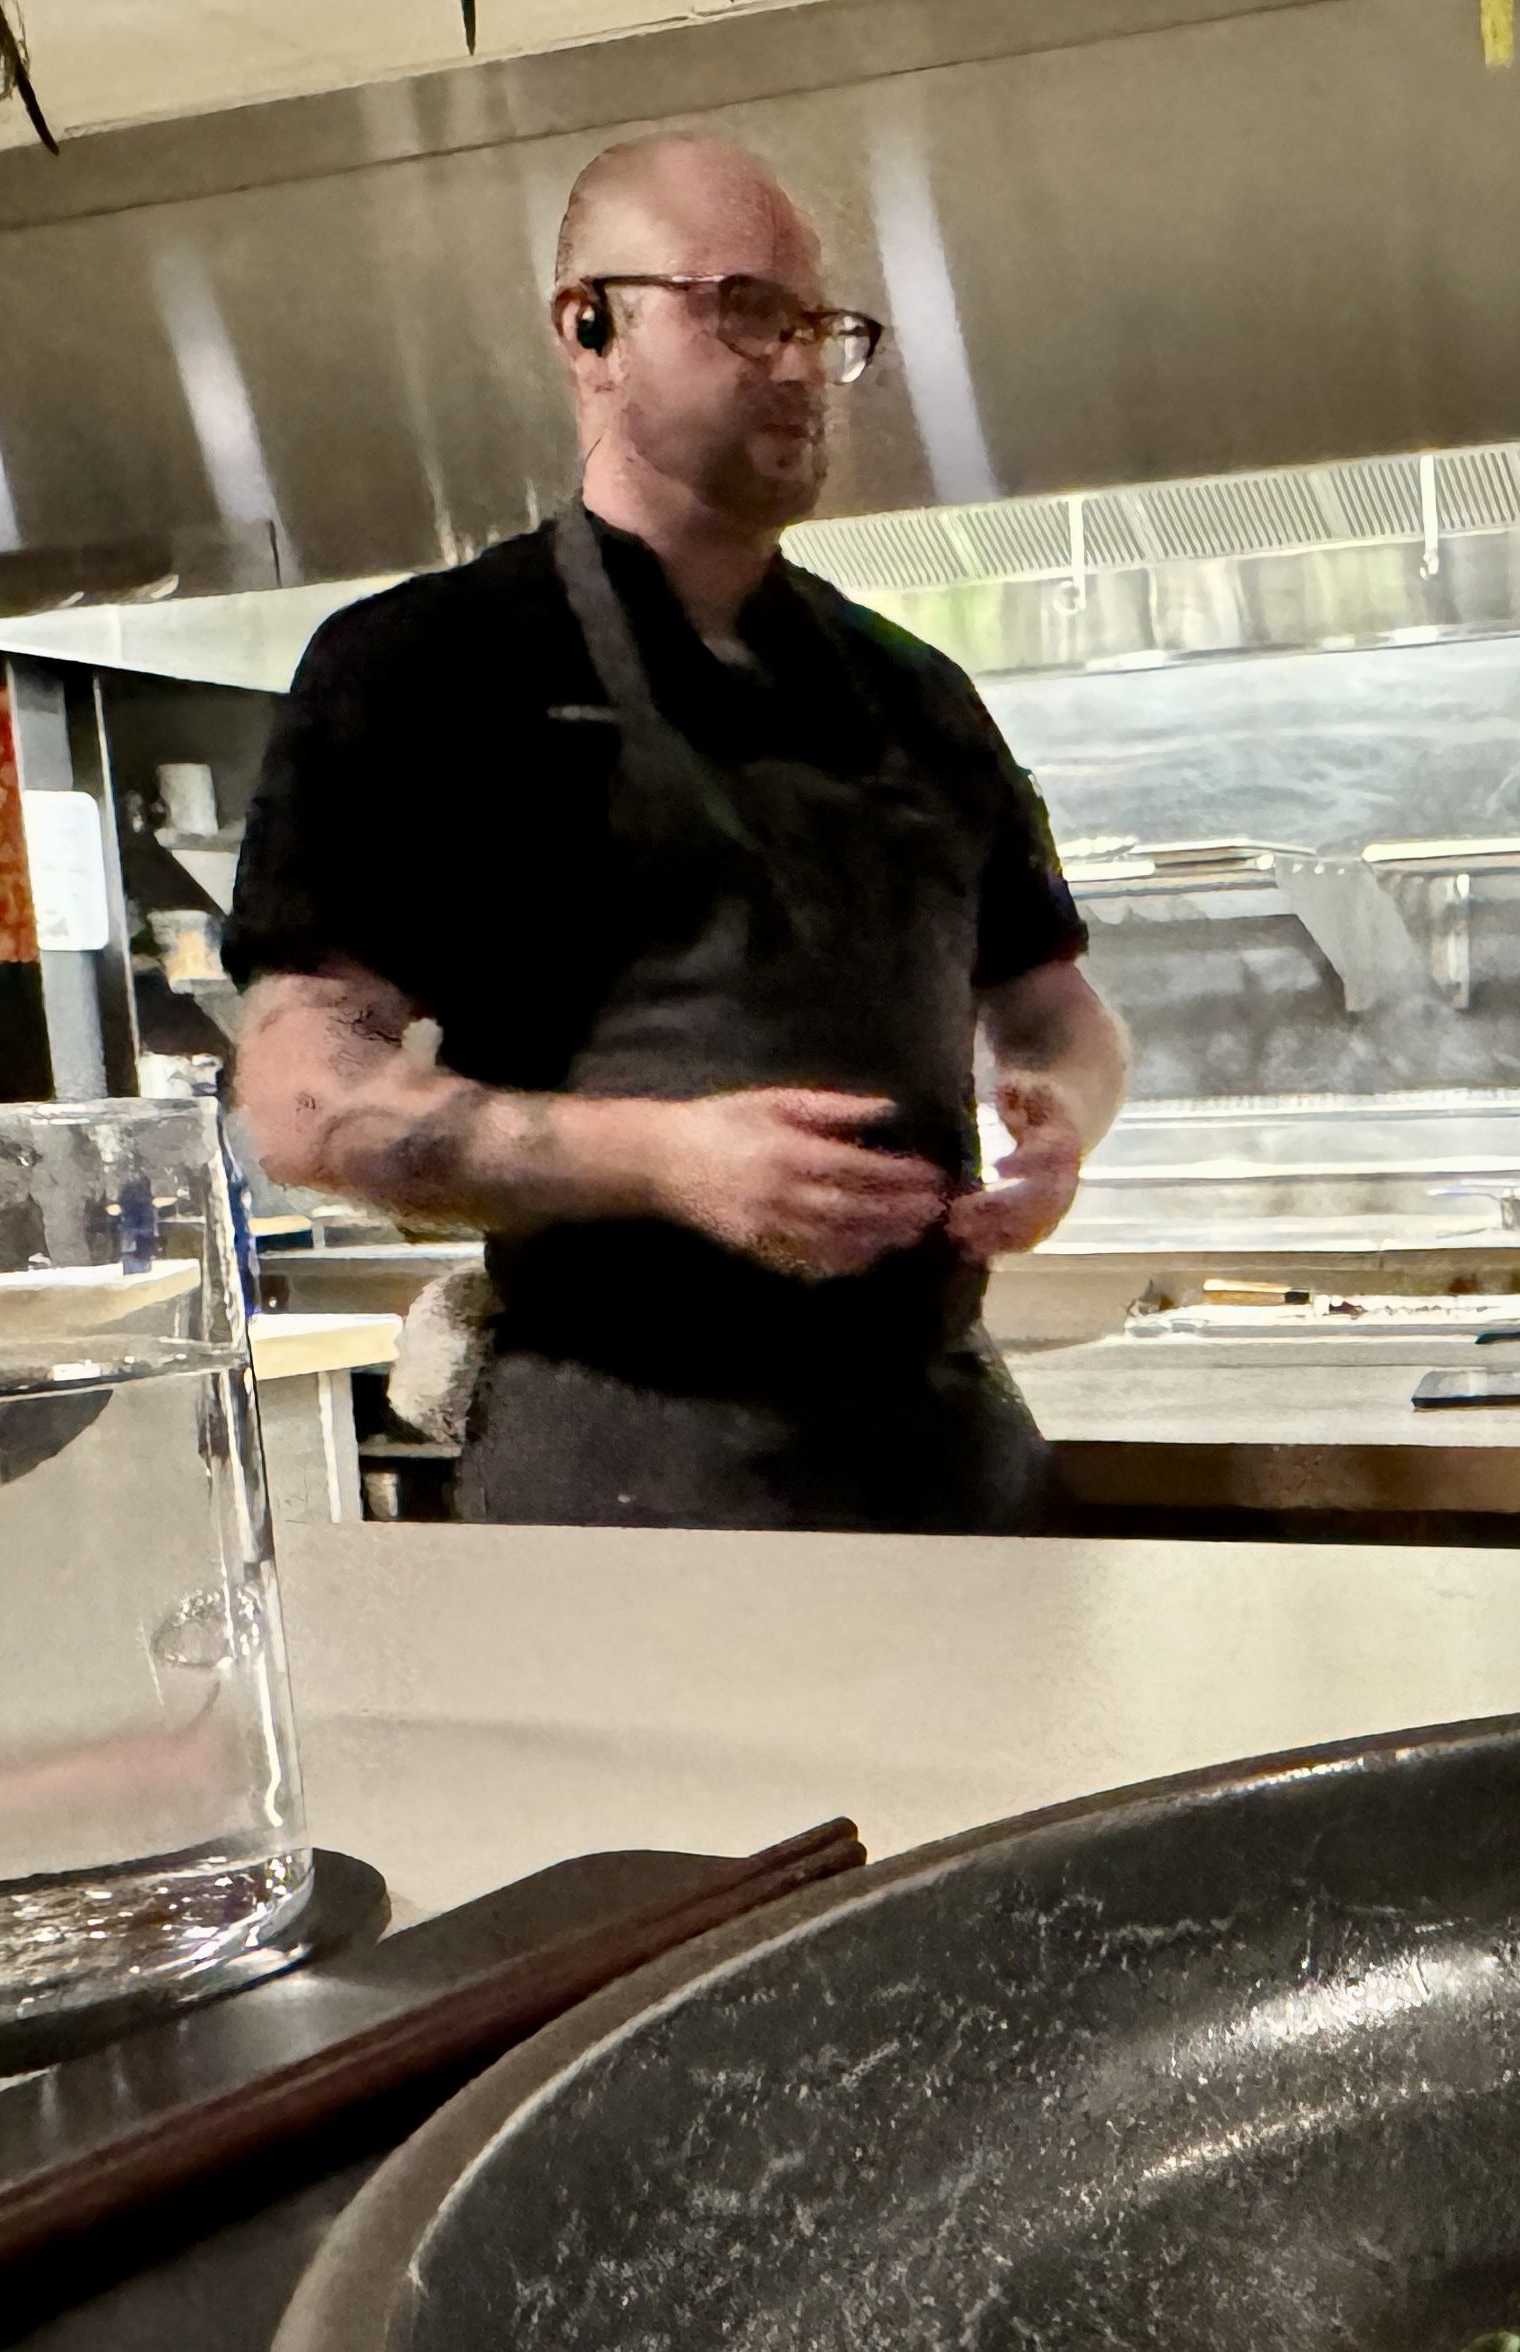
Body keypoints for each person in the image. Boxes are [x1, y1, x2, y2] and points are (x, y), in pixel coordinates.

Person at [228, 131, 1124, 1530]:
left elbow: (1057, 1010)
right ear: (589, 327)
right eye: (743, 310)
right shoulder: (424, 669)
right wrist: (670, 1161)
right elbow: (300, 1100)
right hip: (625, 1472)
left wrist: (1062, 1120)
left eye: (818, 327)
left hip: (950, 1457)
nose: (794, 365)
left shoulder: (915, 693)